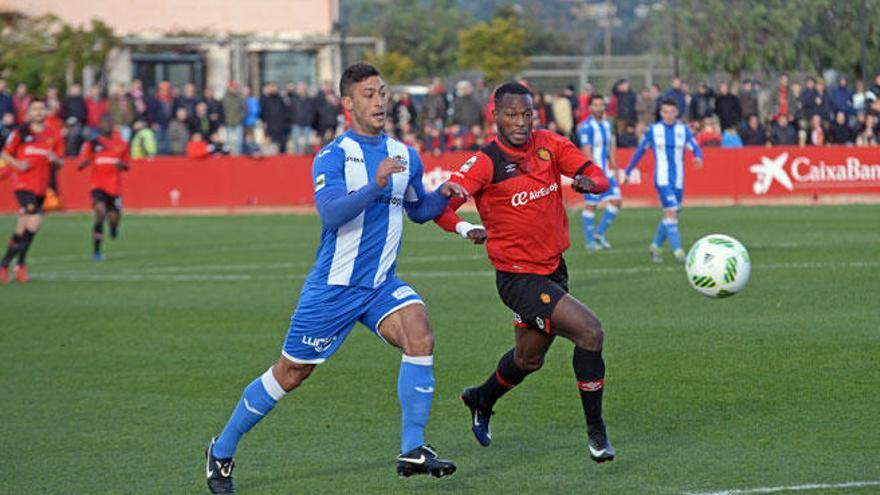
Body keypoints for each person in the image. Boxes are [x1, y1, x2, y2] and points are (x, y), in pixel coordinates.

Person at [204, 63, 465, 494]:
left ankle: (412, 448)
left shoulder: (406, 154)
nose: (379, 100)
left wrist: (443, 196)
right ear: (347, 103)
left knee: (420, 331)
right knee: (290, 374)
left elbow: (417, 209)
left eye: (382, 92)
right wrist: (374, 186)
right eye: (368, 94)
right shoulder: (333, 155)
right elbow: (331, 213)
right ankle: (222, 448)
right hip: (334, 288)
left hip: (380, 284)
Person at [433, 81, 616, 464]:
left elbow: (599, 176)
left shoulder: (549, 144)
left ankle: (480, 398)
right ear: (495, 116)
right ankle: (597, 433)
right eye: (511, 115)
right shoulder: (486, 162)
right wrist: (465, 227)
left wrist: (590, 183)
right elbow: (441, 205)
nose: (520, 122)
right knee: (589, 331)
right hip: (518, 279)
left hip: (554, 269)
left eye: (526, 114)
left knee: (529, 359)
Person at [625, 98, 704, 263]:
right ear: (661, 113)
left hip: (678, 181)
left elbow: (694, 146)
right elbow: (640, 150)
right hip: (662, 179)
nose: (669, 115)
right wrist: (628, 170)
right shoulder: (654, 130)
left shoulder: (683, 130)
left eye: (672, 112)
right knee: (671, 212)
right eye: (665, 112)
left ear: (676, 113)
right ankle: (679, 252)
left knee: (672, 213)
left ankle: (655, 246)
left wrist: (698, 156)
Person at [0, 99, 64, 283]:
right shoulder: (20, 132)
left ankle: (4, 264)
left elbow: (60, 163)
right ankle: (20, 265)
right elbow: (5, 153)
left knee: (23, 228)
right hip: (22, 185)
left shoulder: (54, 134)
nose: (38, 112)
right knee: (34, 222)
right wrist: (17, 164)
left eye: (41, 108)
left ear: (46, 112)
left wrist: (54, 160)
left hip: (41, 186)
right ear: (28, 113)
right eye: (34, 109)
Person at [77, 114, 129, 260]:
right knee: (100, 212)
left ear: (113, 125)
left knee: (114, 217)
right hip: (98, 185)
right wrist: (83, 163)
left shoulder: (122, 143)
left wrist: (122, 165)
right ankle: (96, 251)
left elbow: (127, 164)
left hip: (114, 187)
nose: (107, 125)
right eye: (104, 122)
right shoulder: (92, 144)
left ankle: (113, 228)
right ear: (99, 125)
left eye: (109, 122)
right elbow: (81, 162)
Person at [577, 94, 622, 250]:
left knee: (617, 200)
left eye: (601, 105)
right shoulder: (585, 127)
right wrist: (595, 172)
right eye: (595, 105)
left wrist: (615, 168)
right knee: (591, 205)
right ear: (590, 107)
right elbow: (586, 151)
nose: (598, 108)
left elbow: (610, 148)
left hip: (607, 172)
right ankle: (590, 241)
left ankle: (599, 233)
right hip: (592, 173)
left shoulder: (607, 125)